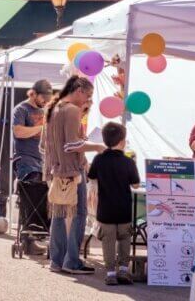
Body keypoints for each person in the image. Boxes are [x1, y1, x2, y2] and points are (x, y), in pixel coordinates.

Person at [43, 75, 105, 275]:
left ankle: (57, 260)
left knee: (59, 216)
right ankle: (71, 261)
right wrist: (96, 146)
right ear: (78, 90)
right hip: (71, 171)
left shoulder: (55, 108)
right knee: (78, 214)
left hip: (58, 170)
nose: (87, 100)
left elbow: (47, 145)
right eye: (87, 95)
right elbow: (71, 145)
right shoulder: (72, 110)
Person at [87, 122, 140, 286]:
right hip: (124, 209)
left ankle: (110, 273)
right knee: (125, 239)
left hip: (105, 210)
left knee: (108, 242)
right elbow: (136, 185)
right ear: (123, 141)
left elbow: (91, 176)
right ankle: (123, 270)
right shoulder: (128, 162)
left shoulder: (99, 159)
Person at [10, 80, 51, 254]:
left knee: (44, 197)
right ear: (33, 93)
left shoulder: (45, 111)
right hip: (25, 161)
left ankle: (36, 235)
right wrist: (41, 128)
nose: (45, 100)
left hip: (43, 162)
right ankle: (28, 239)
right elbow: (18, 131)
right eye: (43, 97)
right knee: (31, 195)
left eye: (48, 97)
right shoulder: (21, 109)